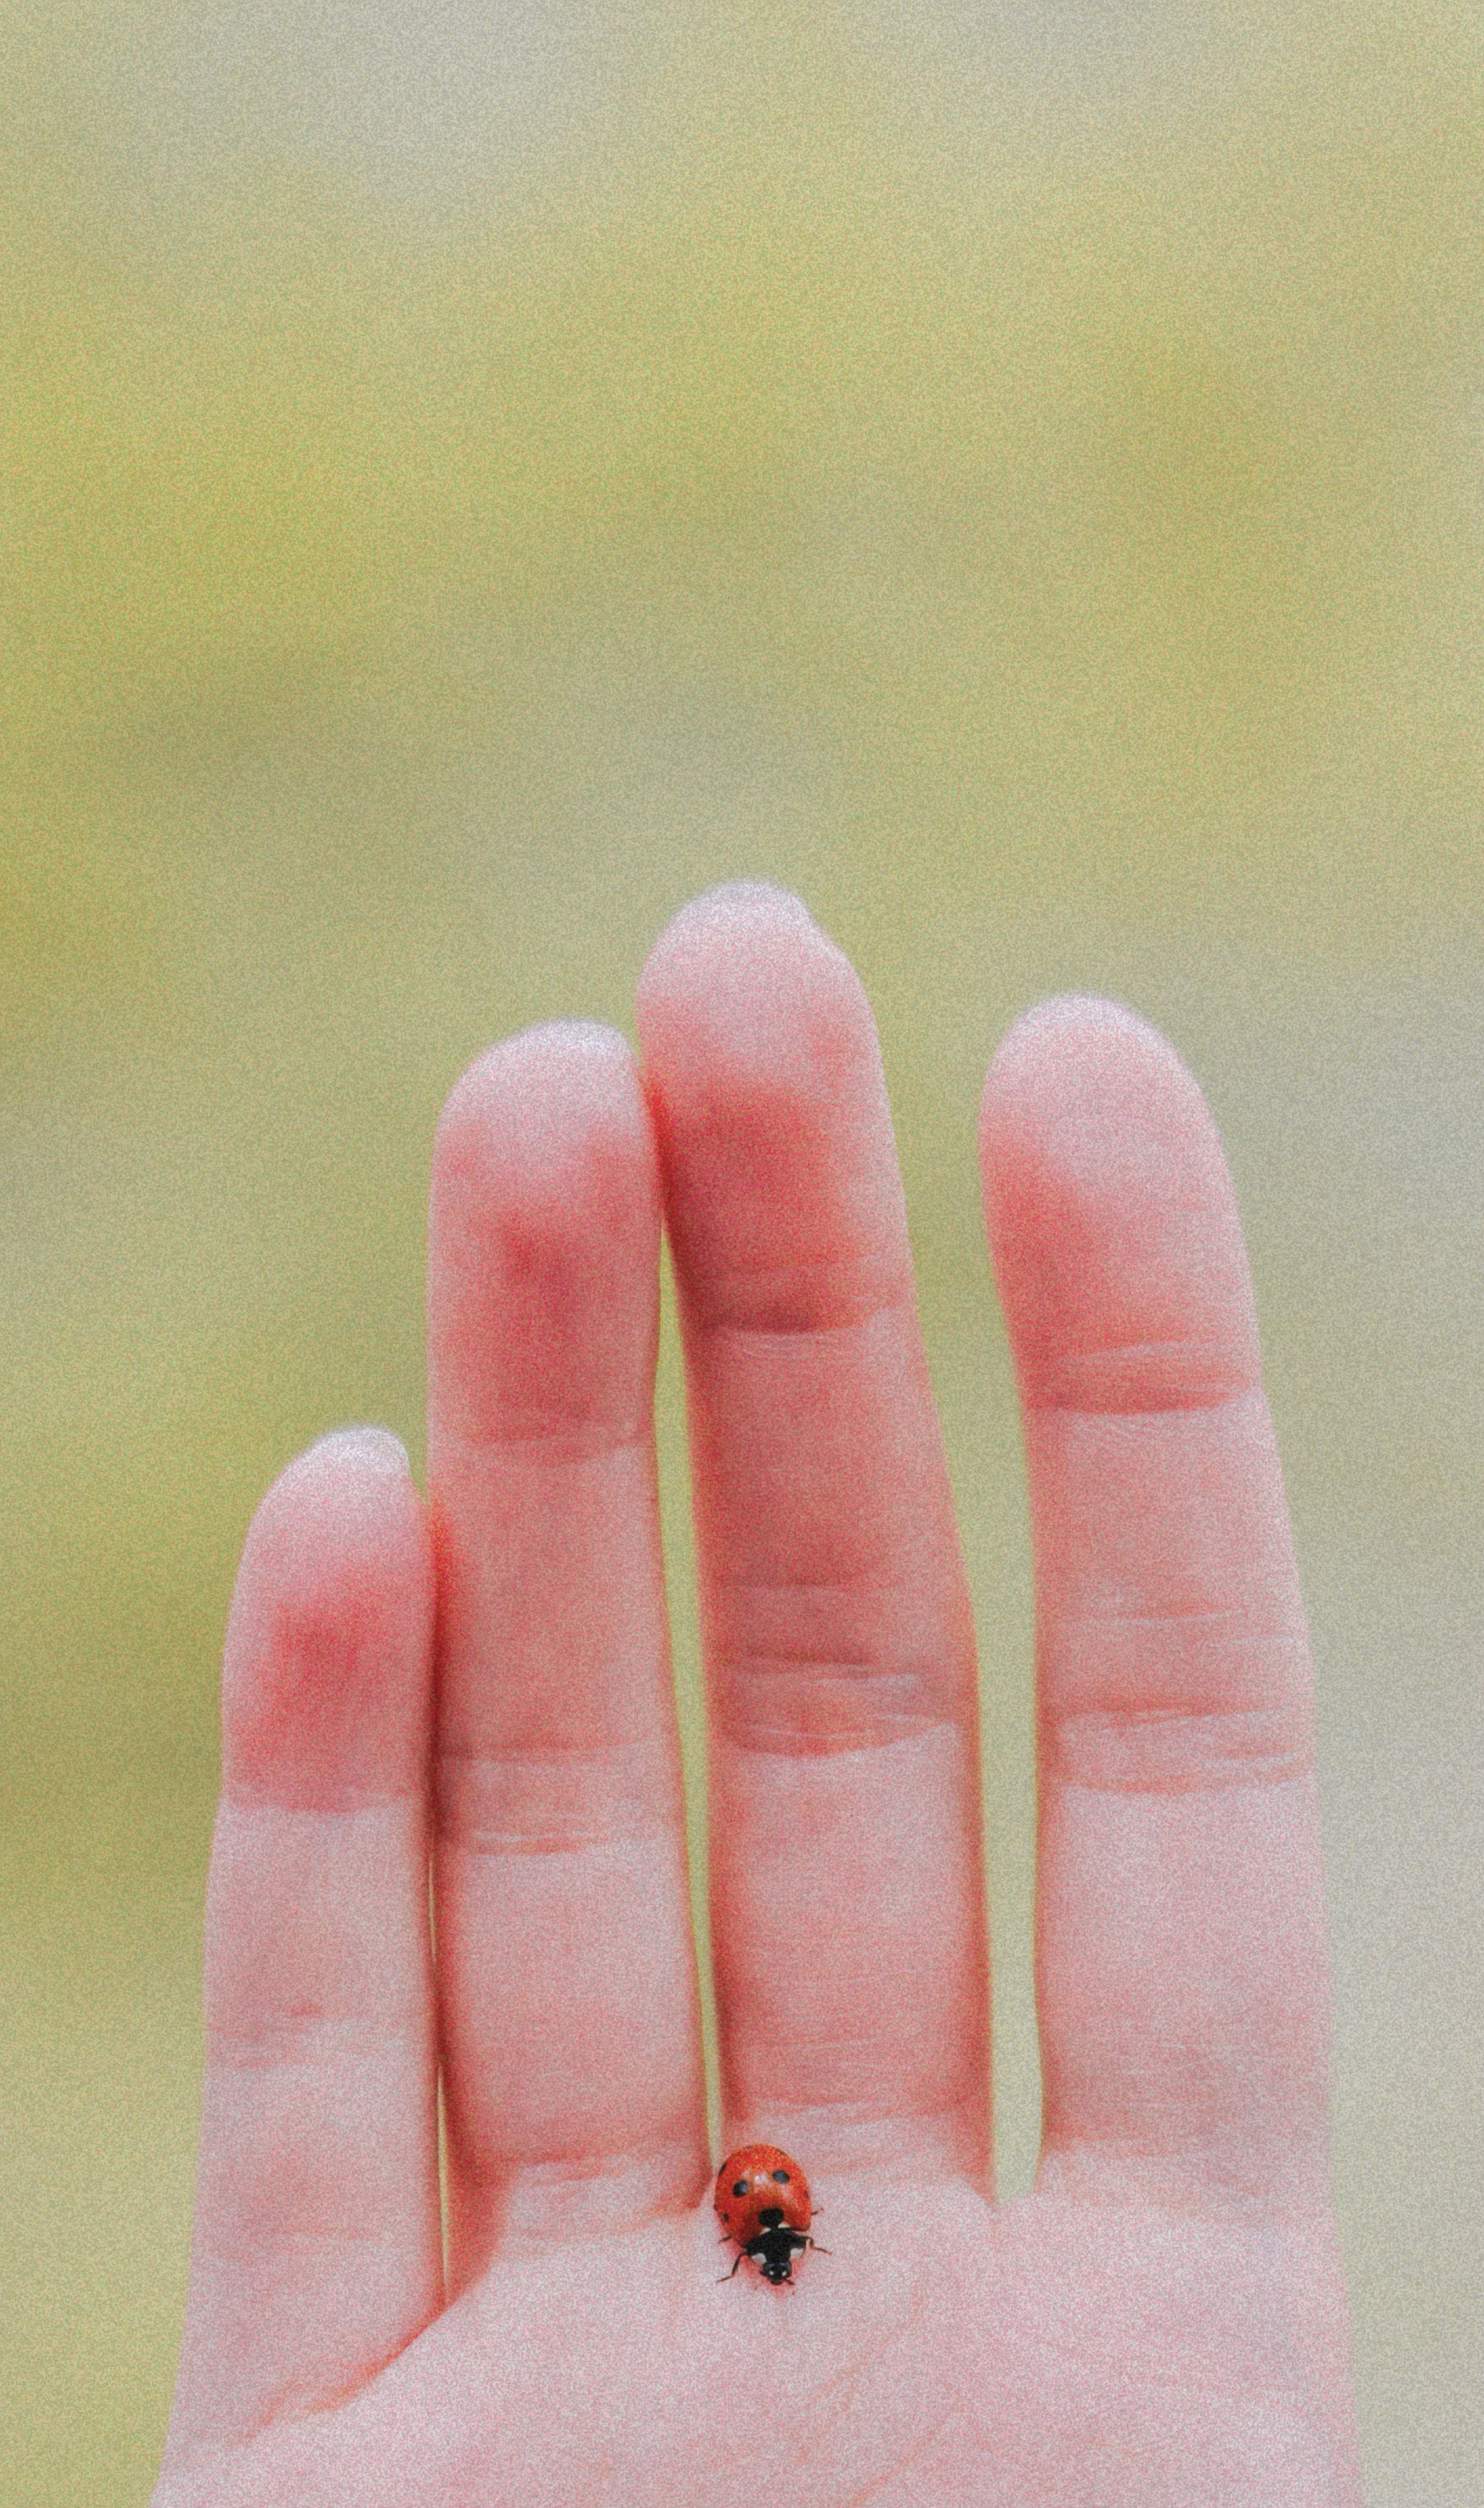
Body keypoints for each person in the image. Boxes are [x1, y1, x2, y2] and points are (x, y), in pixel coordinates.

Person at [151, 883, 1362, 2505]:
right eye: (770, 2225)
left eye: (764, 2225)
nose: (769, 2226)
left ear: (760, 2220)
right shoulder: (778, 2205)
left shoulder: (770, 2209)